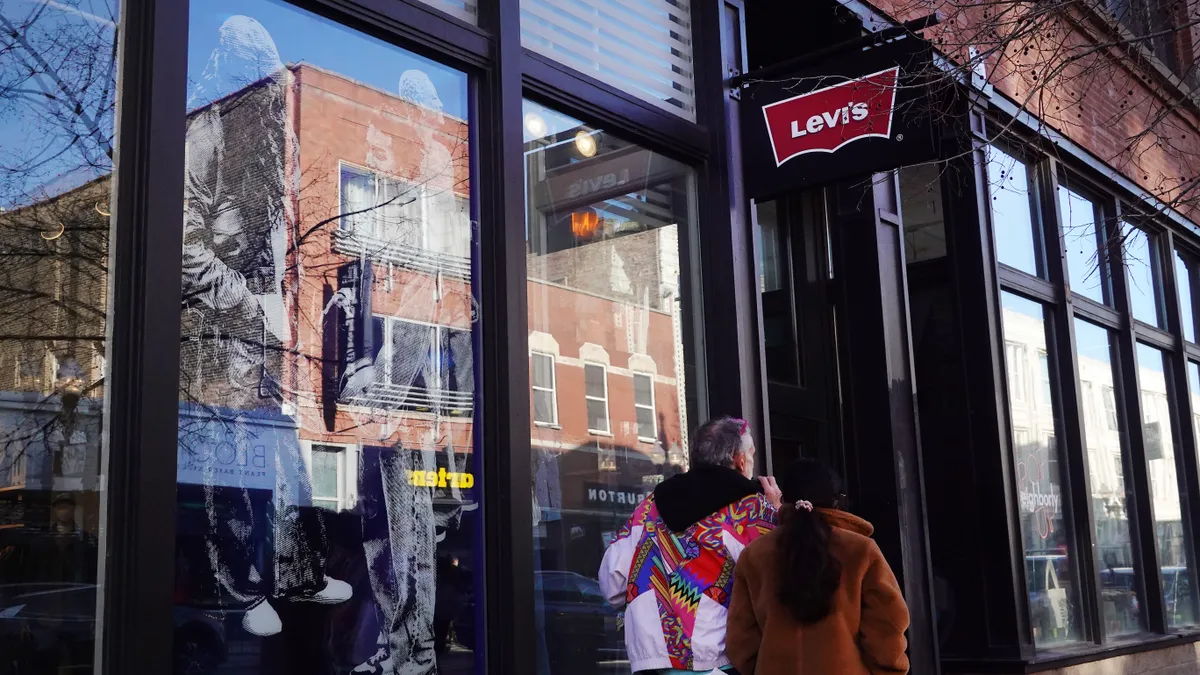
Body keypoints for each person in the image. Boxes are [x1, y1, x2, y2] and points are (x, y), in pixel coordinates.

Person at [599, 417, 782, 675]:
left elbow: (613, 585)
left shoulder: (649, 507)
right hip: (715, 660)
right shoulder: (750, 508)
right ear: (739, 459)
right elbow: (785, 581)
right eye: (750, 454)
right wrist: (781, 513)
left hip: (650, 660)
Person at [726, 458, 910, 675]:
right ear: (836, 502)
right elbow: (888, 628)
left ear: (784, 499)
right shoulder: (861, 551)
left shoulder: (755, 555)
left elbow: (741, 640)